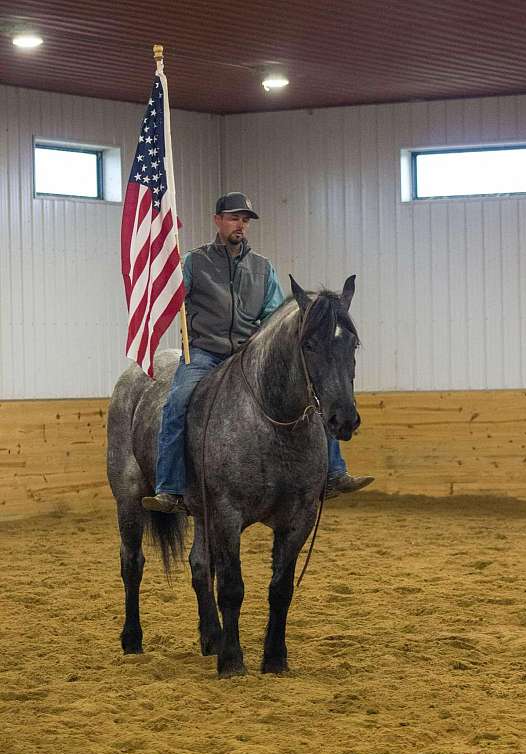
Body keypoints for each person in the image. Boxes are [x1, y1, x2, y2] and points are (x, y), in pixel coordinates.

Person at [142, 192, 374, 513]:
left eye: (246, 220)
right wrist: (168, 279)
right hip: (205, 354)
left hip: (246, 355)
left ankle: (334, 471)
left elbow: (273, 314)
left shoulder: (262, 268)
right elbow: (170, 298)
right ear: (218, 220)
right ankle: (169, 487)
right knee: (177, 402)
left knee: (311, 394)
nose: (241, 225)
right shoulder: (195, 262)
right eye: (235, 218)